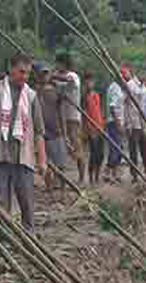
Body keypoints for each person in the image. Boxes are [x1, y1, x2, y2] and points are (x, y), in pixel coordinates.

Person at [0, 53, 45, 232]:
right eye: (21, 72)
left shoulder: (31, 96)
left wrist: (42, 160)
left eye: (27, 74)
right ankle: (2, 242)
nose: (24, 77)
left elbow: (39, 132)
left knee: (27, 204)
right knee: (0, 206)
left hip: (23, 158)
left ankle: (29, 240)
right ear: (10, 68)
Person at [53, 53, 84, 184]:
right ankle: (59, 179)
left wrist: (53, 76)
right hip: (62, 117)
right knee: (62, 146)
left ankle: (82, 177)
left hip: (73, 117)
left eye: (59, 63)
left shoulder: (72, 76)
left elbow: (69, 81)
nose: (57, 66)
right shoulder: (57, 78)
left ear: (64, 64)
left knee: (76, 145)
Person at [36, 63, 66, 196]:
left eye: (46, 74)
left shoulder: (55, 91)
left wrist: (64, 132)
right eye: (42, 74)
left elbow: (61, 112)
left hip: (56, 131)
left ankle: (62, 191)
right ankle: (50, 191)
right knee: (47, 164)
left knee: (61, 164)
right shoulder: (34, 92)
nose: (44, 76)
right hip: (42, 133)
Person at [122, 67, 146, 182]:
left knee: (144, 149)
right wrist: (127, 123)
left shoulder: (143, 86)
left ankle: (145, 172)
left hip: (142, 122)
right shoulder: (131, 85)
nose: (145, 76)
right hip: (133, 123)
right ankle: (135, 175)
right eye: (143, 73)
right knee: (133, 150)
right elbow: (124, 103)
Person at [81, 71, 104, 185]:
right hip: (91, 129)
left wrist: (102, 127)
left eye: (92, 81)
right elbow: (84, 115)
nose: (90, 83)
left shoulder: (96, 95)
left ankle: (97, 176)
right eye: (88, 81)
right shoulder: (84, 97)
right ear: (84, 83)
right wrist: (88, 131)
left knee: (101, 154)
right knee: (94, 154)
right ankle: (91, 178)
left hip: (100, 127)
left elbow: (99, 111)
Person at [104, 70, 125, 183]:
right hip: (114, 122)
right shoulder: (115, 88)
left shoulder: (116, 87)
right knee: (115, 147)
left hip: (116, 121)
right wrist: (118, 123)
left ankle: (115, 173)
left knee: (118, 147)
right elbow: (112, 107)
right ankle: (108, 172)